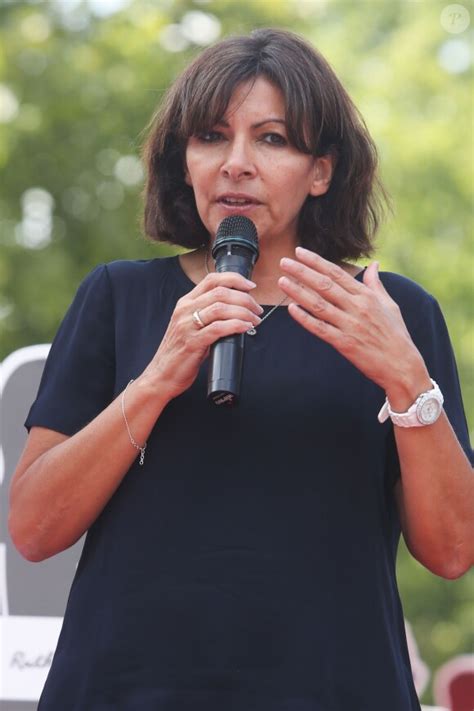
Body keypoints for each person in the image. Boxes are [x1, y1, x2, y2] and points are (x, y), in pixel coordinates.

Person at [9, 28, 473, 710]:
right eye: (211, 137)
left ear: (322, 170)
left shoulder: (392, 312)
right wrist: (159, 376)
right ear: (185, 162)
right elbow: (33, 529)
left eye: (273, 139)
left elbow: (453, 550)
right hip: (123, 690)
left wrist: (407, 378)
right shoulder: (118, 297)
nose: (236, 163)